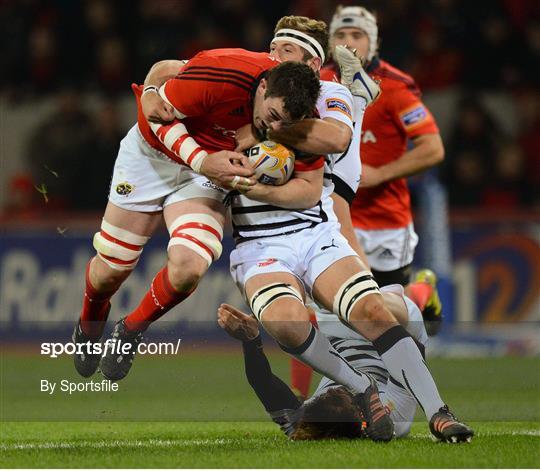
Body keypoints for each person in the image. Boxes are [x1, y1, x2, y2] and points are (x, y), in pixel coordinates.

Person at [225, 22, 473, 443]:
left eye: (285, 48)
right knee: (376, 305)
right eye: (272, 47)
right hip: (294, 238)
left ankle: (357, 96)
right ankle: (429, 379)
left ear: (311, 63)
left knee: (333, 205)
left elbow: (333, 141)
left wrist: (258, 134)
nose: (274, 54)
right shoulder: (391, 421)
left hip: (307, 230)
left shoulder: (315, 95)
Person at [72, 48, 321, 382]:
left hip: (205, 175)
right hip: (151, 157)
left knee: (189, 267)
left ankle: (130, 331)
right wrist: (201, 157)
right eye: (272, 114)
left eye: (284, 124)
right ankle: (88, 327)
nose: (273, 126)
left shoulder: (301, 109)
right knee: (110, 270)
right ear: (263, 88)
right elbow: (157, 114)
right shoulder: (224, 72)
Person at [217, 286, 470, 443]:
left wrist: (251, 341)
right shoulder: (397, 416)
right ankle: (422, 290)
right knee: (373, 303)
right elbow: (411, 351)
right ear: (365, 416)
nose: (344, 387)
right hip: (399, 336)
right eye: (349, 394)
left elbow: (262, 383)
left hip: (336, 337)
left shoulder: (307, 423)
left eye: (332, 390)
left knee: (325, 300)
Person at [322, 5, 445, 324]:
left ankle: (421, 292)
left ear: (373, 43)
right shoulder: (317, 81)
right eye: (341, 34)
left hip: (384, 221)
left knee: (392, 315)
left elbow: (433, 148)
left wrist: (379, 174)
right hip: (332, 214)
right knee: (327, 311)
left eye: (357, 35)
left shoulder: (395, 88)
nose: (348, 42)